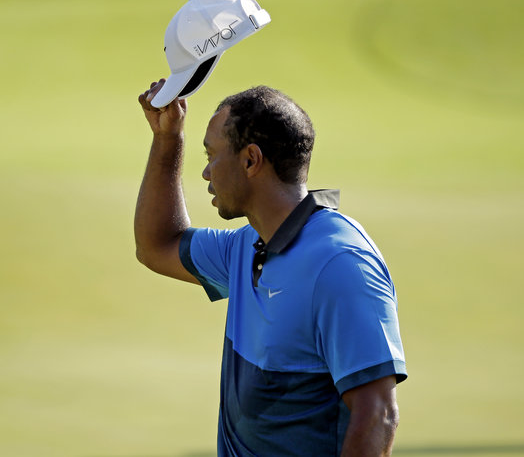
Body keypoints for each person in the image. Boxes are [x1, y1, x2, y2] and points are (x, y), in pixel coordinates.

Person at [135, 80, 407, 456]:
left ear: (250, 160)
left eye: (211, 156)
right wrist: (168, 140)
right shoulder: (247, 245)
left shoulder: (340, 263)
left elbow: (377, 415)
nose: (206, 173)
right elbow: (156, 245)